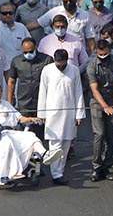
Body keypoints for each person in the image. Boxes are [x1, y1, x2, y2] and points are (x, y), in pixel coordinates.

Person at [0, 83, 62, 185]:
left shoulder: (6, 104)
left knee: (30, 136)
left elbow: (19, 118)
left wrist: (32, 119)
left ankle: (45, 154)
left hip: (11, 132)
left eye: (0, 92)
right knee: (7, 142)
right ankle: (3, 175)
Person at [37, 49, 85, 185]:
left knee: (66, 144)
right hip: (52, 114)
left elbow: (78, 92)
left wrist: (79, 114)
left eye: (62, 64)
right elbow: (43, 92)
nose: (60, 67)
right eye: (58, 64)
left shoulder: (74, 70)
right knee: (55, 144)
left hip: (69, 113)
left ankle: (60, 171)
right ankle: (56, 174)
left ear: (66, 60)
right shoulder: (47, 70)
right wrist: (42, 114)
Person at [87, 39, 113, 182]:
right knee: (99, 134)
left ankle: (107, 166)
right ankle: (96, 166)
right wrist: (105, 106)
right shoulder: (92, 65)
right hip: (97, 102)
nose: (103, 57)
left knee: (111, 135)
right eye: (100, 54)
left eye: (105, 54)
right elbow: (94, 89)